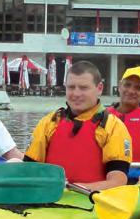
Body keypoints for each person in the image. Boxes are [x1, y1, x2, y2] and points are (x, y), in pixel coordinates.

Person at [24, 60, 133, 191]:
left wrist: (73, 189)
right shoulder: (49, 123)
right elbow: (28, 171)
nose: (76, 94)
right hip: (50, 199)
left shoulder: (113, 127)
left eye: (83, 88)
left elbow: (118, 182)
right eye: (71, 87)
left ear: (99, 88)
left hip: (91, 200)